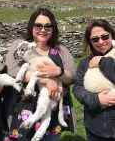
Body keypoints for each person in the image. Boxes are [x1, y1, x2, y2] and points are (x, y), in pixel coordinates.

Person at [5, 8, 76, 141]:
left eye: (48, 26)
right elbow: (12, 70)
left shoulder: (60, 49)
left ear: (53, 28)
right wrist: (47, 81)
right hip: (23, 109)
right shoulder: (20, 46)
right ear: (31, 26)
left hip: (52, 109)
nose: (43, 29)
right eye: (38, 25)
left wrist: (58, 72)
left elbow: (72, 75)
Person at [73, 19, 115, 141]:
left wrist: (102, 62)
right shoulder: (85, 63)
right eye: (95, 39)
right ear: (90, 42)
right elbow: (77, 88)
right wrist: (96, 100)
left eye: (105, 36)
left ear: (112, 35)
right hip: (95, 127)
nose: (101, 42)